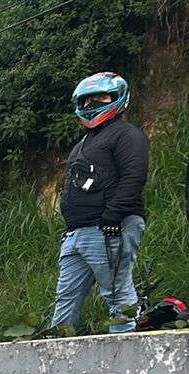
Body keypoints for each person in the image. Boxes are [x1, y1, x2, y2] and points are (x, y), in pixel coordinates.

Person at [52, 72, 148, 335]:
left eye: (100, 98)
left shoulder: (127, 135)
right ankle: (58, 352)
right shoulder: (84, 142)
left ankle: (127, 353)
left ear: (117, 99)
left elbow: (134, 176)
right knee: (65, 299)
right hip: (76, 232)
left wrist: (112, 216)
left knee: (117, 293)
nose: (92, 105)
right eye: (86, 101)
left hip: (107, 227)